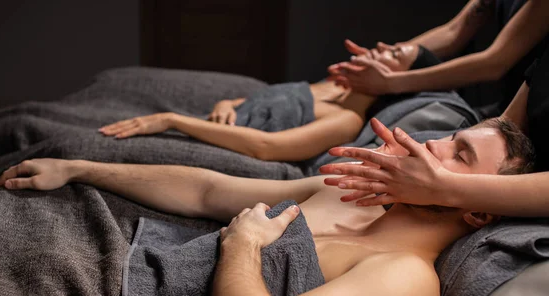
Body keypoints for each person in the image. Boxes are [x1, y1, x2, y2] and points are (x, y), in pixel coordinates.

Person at [0, 118, 533, 296]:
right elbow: (207, 190)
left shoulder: (406, 280)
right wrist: (81, 168)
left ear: (478, 206)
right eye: (446, 135)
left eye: (458, 155)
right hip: (121, 259)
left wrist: (242, 245)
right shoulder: (349, 196)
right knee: (24, 158)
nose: (428, 144)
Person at [321, 42, 549, 218]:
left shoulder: (403, 271)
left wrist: (441, 186)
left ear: (479, 216)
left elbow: (495, 61)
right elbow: (505, 123)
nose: (430, 143)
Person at [96, 44, 425, 162]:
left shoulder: (347, 120)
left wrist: (173, 120)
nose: (380, 47)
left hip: (223, 149)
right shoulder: (328, 87)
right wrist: (227, 102)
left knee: (93, 147)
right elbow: (263, 101)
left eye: (393, 53)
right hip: (208, 126)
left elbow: (266, 147)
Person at [328, 0, 549, 117]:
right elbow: (454, 32)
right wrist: (384, 57)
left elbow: (495, 63)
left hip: (529, 114)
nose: (379, 48)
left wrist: (389, 82)